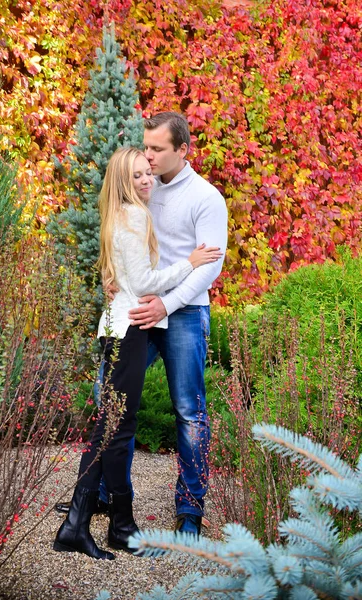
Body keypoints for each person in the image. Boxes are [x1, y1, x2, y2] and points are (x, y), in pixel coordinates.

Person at [53, 146, 223, 560]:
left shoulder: (122, 214)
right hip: (129, 328)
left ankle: (90, 525)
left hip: (121, 325)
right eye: (137, 176)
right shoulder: (133, 215)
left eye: (148, 172)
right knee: (116, 428)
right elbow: (147, 280)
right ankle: (111, 525)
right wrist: (190, 261)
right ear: (122, 183)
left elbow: (127, 274)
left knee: (110, 425)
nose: (146, 180)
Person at [129, 112, 228, 536]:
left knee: (189, 412)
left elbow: (209, 268)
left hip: (184, 311)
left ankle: (190, 507)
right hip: (142, 304)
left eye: (157, 149)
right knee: (110, 395)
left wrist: (166, 306)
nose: (147, 156)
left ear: (183, 150)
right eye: (145, 146)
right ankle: (104, 491)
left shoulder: (207, 198)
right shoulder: (141, 187)